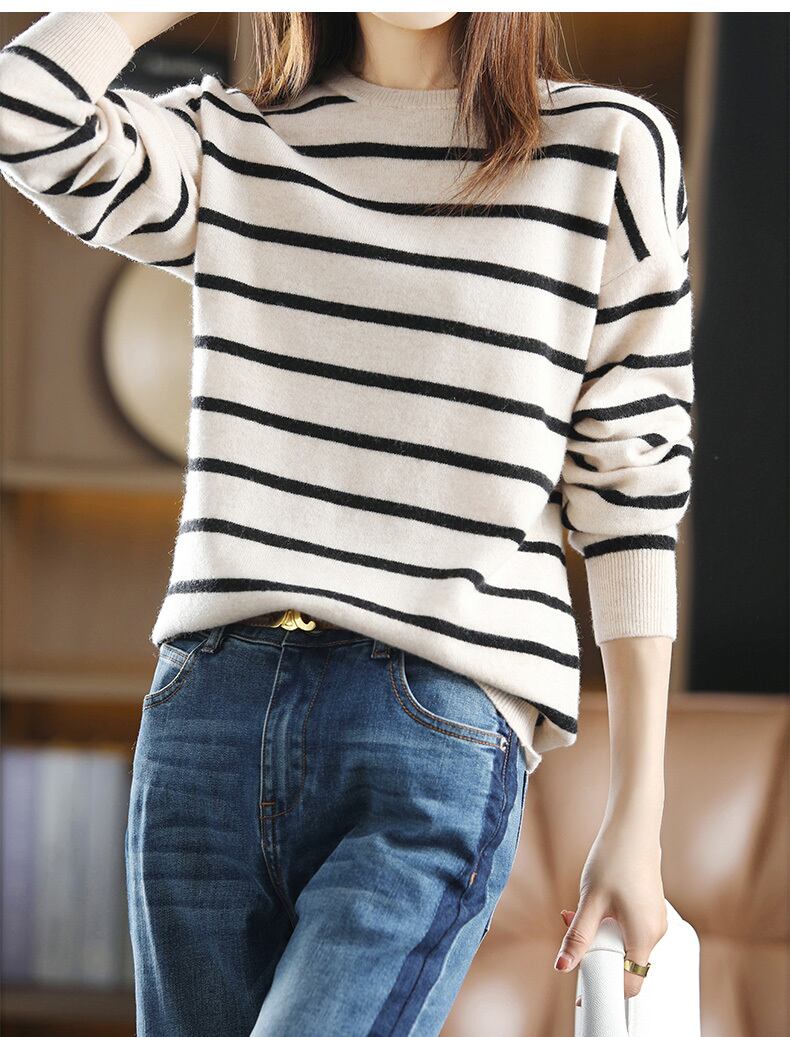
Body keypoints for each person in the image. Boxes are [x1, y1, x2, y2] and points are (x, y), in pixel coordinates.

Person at [0, 10, 694, 1036]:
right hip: (208, 710)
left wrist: (637, 818)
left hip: (434, 721)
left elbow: (630, 491)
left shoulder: (606, 150)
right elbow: (25, 108)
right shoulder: (237, 141)